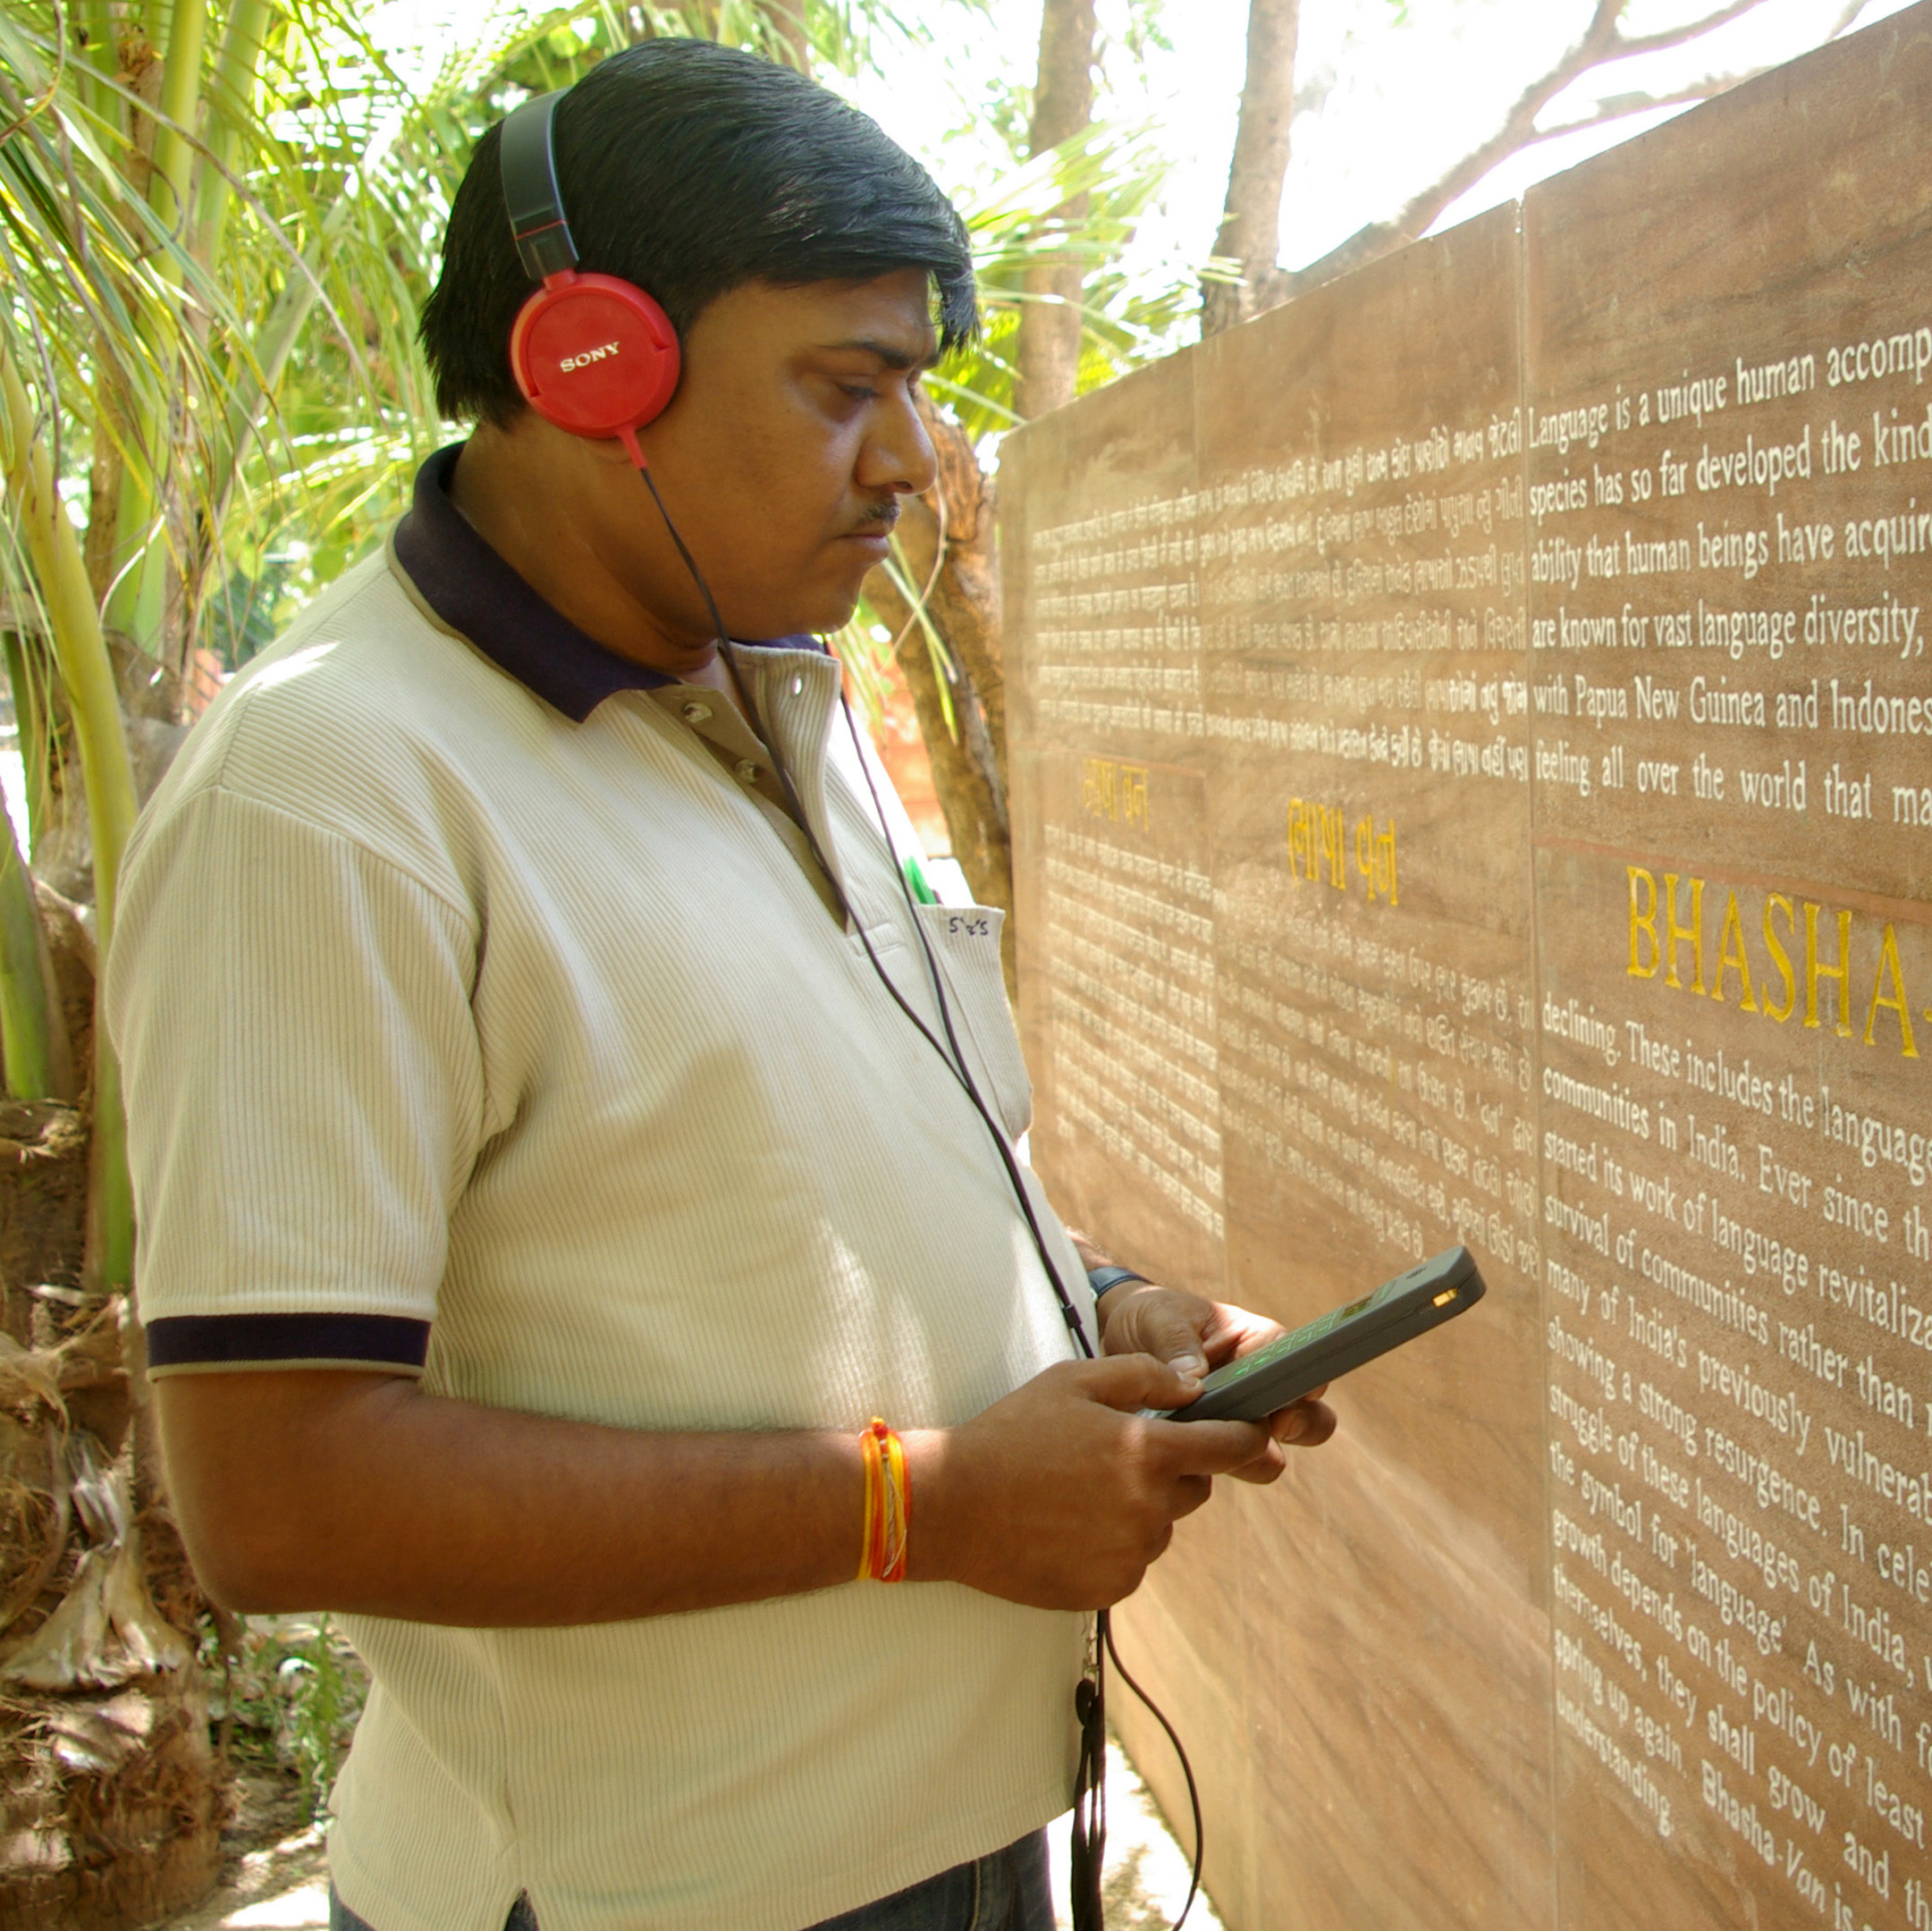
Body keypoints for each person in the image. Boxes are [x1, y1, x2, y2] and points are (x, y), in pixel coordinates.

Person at [105, 40, 1335, 1931]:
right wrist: (926, 1504)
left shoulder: (774, 691)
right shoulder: (332, 792)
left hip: (963, 1832)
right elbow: (280, 1495)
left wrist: (1099, 1303)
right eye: (848, 388)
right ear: (590, 369)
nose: (917, 462)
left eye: (915, 391)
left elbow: (777, 1176)